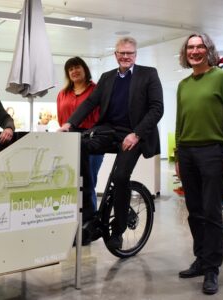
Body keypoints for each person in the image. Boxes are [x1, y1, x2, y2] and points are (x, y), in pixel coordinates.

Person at [58, 37, 163, 249]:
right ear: (115, 55)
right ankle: (91, 215)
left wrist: (136, 134)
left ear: (136, 55)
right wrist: (70, 123)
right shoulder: (107, 78)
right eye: (121, 53)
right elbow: (90, 103)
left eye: (129, 53)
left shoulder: (148, 74)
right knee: (78, 145)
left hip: (134, 135)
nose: (125, 56)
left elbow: (157, 109)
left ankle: (118, 230)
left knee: (121, 176)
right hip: (109, 132)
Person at [175, 33, 223, 295]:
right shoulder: (183, 84)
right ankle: (201, 259)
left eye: (200, 46)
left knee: (211, 212)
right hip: (187, 152)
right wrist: (178, 154)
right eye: (191, 47)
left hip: (213, 151)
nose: (195, 51)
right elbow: (180, 121)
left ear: (208, 50)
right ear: (185, 53)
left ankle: (212, 268)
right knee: (195, 211)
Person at [57, 56, 103, 211]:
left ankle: (91, 221)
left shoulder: (96, 90)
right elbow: (61, 119)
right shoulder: (62, 94)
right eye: (70, 69)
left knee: (88, 182)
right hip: (69, 140)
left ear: (85, 69)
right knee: (71, 182)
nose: (74, 71)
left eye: (77, 67)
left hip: (92, 138)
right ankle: (74, 221)